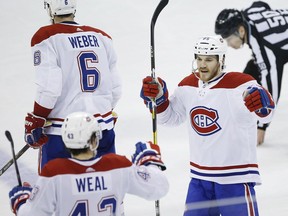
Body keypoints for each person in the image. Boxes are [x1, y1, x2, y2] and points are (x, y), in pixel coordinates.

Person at [140, 36, 275, 215]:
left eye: (209, 60)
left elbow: (266, 116)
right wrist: (158, 99)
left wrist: (262, 103)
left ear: (222, 60)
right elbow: (169, 118)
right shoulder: (187, 86)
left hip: (235, 178)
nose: (202, 64)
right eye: (199, 58)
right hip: (200, 179)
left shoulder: (241, 84)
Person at [24, 0, 122, 172]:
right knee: (107, 188)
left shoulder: (46, 37)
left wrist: (38, 118)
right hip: (101, 130)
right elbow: (115, 89)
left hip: (62, 133)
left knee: (56, 194)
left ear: (50, 9)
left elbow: (49, 87)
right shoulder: (102, 37)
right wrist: (102, 111)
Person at [9, 112, 168, 215]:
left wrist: (21, 201)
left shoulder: (54, 173)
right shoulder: (117, 165)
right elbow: (159, 188)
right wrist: (149, 160)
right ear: (94, 138)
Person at [214, 1, 288, 145]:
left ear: (241, 31)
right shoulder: (247, 14)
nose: (228, 44)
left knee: (261, 66)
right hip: (277, 41)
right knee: (254, 67)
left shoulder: (265, 47)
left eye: (229, 39)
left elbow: (272, 85)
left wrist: (262, 126)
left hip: (275, 46)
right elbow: (261, 5)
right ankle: (237, 103)